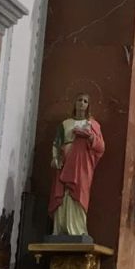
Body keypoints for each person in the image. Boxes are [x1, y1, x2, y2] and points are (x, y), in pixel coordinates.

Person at [50, 93, 105, 237]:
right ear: (74, 103)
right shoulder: (65, 124)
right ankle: (60, 228)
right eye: (79, 100)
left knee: (79, 192)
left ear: (88, 105)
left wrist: (90, 137)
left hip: (82, 165)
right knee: (63, 193)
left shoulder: (93, 124)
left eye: (85, 101)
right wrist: (55, 158)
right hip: (64, 162)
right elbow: (57, 143)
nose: (82, 103)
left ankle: (77, 229)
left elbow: (101, 147)